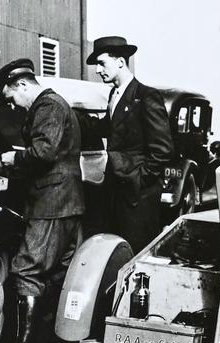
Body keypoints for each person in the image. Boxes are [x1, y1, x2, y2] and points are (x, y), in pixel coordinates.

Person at [0, 58, 84, 343]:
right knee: (58, 274)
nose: (14, 105)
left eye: (12, 97)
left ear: (22, 85)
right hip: (66, 203)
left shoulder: (48, 106)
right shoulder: (56, 106)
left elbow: (44, 152)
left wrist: (12, 160)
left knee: (27, 271)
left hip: (51, 204)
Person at [82, 36, 174, 253]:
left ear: (121, 62)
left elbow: (163, 150)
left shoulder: (146, 96)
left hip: (137, 199)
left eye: (102, 63)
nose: (97, 70)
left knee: (136, 255)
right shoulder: (115, 95)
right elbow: (106, 128)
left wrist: (139, 179)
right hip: (117, 194)